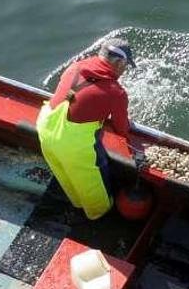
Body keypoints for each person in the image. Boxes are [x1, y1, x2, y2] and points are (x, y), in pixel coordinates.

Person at [37, 38, 135, 220]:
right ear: (119, 62)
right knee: (93, 189)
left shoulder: (76, 66)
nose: (124, 70)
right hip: (72, 144)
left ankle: (76, 205)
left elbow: (70, 95)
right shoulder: (116, 92)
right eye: (125, 66)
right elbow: (122, 129)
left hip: (45, 125)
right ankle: (97, 219)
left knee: (66, 175)